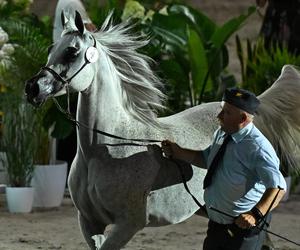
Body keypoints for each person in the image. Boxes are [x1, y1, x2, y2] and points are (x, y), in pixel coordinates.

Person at [161, 87, 286, 250]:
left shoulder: (257, 147)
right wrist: (178, 152)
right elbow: (207, 159)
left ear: (242, 118)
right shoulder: (222, 133)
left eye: (226, 113)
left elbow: (278, 187)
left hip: (243, 228)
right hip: (217, 224)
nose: (219, 116)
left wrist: (255, 214)